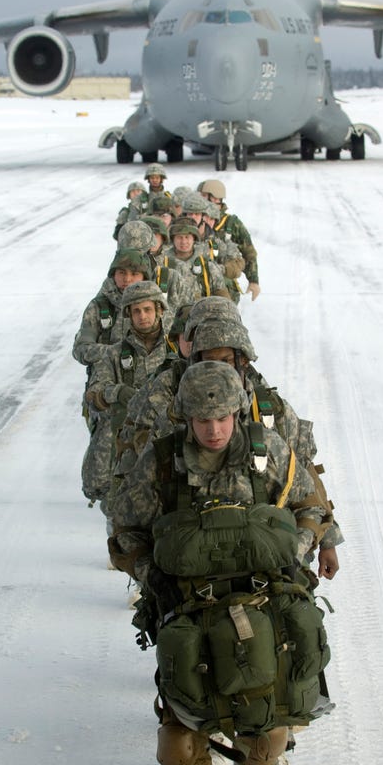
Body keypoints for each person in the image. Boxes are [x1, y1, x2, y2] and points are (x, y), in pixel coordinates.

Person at [110, 362, 335, 765]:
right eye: (203, 417)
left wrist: (305, 547)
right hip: (189, 610)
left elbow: (313, 506)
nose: (214, 428)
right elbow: (126, 531)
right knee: (182, 727)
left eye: (223, 416)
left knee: (267, 719)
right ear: (185, 414)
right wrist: (149, 577)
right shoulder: (161, 464)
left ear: (238, 409)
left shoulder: (270, 450)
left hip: (266, 605)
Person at [82, 281, 174, 558]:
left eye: (148, 309)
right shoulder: (114, 354)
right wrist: (116, 392)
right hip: (123, 438)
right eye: (136, 311)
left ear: (159, 311)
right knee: (115, 494)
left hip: (163, 436)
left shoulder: (174, 352)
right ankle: (122, 545)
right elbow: (94, 393)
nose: (143, 316)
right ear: (128, 315)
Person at [72, 249, 152, 430]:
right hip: (106, 398)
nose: (127, 279)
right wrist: (114, 353)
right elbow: (81, 349)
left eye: (134, 274)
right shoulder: (99, 307)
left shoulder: (154, 307)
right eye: (121, 273)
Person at [198, 179, 261, 300]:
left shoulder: (231, 224)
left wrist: (253, 280)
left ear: (216, 198)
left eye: (205, 196)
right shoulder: (194, 219)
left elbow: (249, 252)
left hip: (225, 282)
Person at [167, 218, 231, 303]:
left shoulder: (206, 264)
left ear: (194, 238)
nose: (183, 241)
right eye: (179, 237)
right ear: (173, 239)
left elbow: (222, 295)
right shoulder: (163, 261)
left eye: (187, 237)